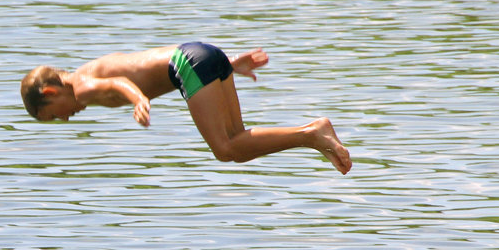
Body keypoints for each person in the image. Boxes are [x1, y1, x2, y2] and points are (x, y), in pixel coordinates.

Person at [20, 42, 351, 174]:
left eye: (55, 114)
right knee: (235, 141)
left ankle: (311, 134)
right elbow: (147, 62)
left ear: (50, 91)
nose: (65, 117)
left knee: (224, 148)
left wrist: (138, 100)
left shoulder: (83, 87)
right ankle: (311, 135)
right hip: (200, 56)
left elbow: (117, 84)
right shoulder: (88, 69)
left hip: (187, 64)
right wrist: (227, 63)